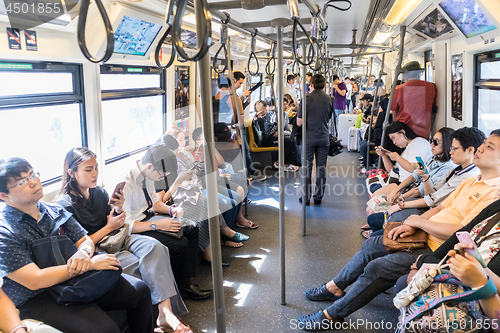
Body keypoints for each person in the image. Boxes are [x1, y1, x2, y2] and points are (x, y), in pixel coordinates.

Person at [297, 130, 500, 331]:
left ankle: (332, 315)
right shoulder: (471, 180)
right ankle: (335, 287)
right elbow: (440, 207)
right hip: (424, 234)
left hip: (438, 250)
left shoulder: (493, 195)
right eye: (483, 144)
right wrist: (412, 224)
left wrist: (419, 223)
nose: (481, 149)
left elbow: (461, 232)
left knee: (377, 268)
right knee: (372, 245)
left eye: (489, 147)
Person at [56, 148, 208, 330]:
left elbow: (113, 220)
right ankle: (162, 314)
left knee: (156, 247)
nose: (95, 174)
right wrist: (109, 226)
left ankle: (165, 312)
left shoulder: (99, 192)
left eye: (96, 168)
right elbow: (79, 244)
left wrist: (118, 210)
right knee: (142, 262)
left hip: (117, 235)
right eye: (88, 170)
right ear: (72, 173)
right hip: (97, 247)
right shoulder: (64, 205)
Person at [0, 157, 154, 333]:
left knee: (140, 291)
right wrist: (88, 264)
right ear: (4, 195)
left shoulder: (53, 210)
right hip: (39, 296)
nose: (34, 182)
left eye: (33, 174)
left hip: (74, 280)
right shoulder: (5, 231)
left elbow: (84, 240)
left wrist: (84, 252)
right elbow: (35, 280)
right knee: (104, 330)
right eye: (22, 181)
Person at [365, 127, 486, 236]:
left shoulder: (460, 173)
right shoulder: (445, 165)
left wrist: (401, 202)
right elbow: (429, 192)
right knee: (375, 208)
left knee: (379, 222)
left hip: (432, 212)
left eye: (436, 142)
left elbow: (431, 199)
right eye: (431, 141)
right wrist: (425, 179)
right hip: (427, 204)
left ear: (470, 150)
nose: (431, 145)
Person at [297, 74, 334, 205]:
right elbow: (328, 119)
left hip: (308, 138)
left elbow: (299, 123)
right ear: (324, 85)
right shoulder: (330, 99)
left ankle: (306, 198)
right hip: (323, 138)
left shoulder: (305, 99)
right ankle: (318, 197)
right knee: (321, 168)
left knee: (306, 168)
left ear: (311, 84)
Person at [372, 122, 433, 195]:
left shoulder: (418, 143)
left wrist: (397, 157)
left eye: (394, 138)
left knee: (376, 195)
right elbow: (392, 171)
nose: (394, 142)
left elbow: (413, 168)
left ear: (403, 132)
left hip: (409, 185)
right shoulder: (407, 149)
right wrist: (384, 156)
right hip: (401, 182)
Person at [390, 61, 437, 138]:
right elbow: (433, 110)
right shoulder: (431, 87)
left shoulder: (398, 89)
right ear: (419, 73)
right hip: (424, 131)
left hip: (404, 131)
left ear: (405, 75)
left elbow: (394, 115)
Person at [252, 100, 299, 171]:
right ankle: (285, 163)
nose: (266, 110)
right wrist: (275, 124)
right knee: (288, 142)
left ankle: (286, 161)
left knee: (288, 139)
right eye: (265, 109)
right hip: (265, 141)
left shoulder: (262, 118)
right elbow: (268, 134)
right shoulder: (261, 120)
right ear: (261, 110)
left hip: (267, 139)